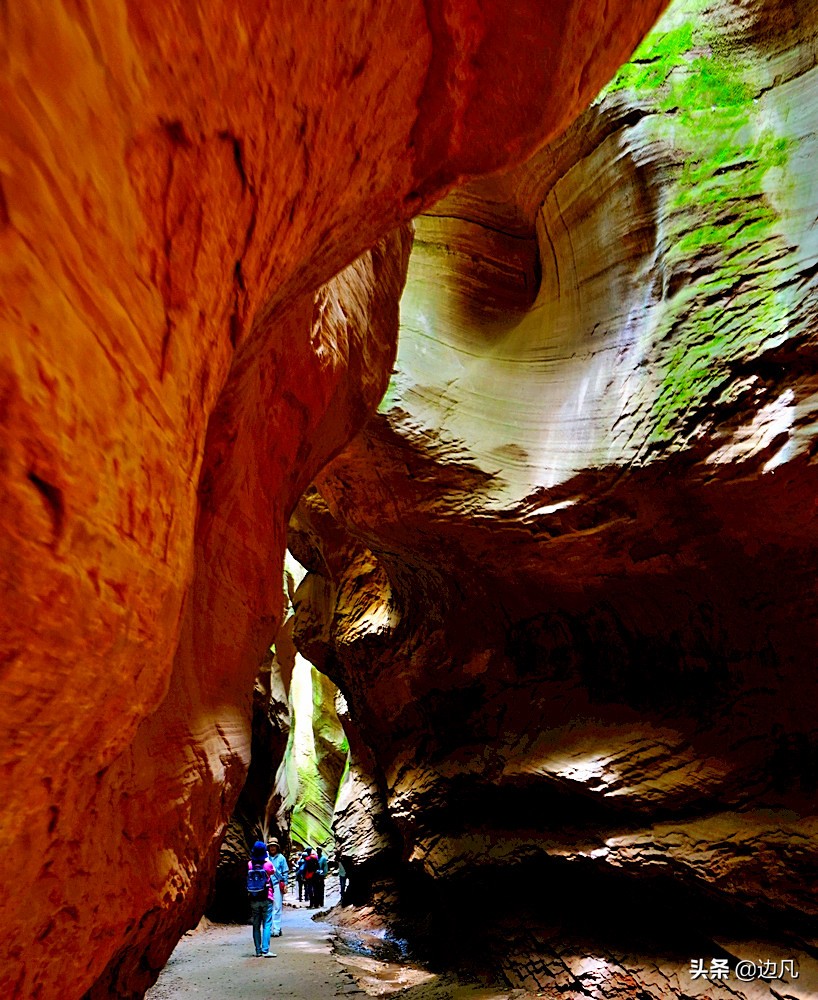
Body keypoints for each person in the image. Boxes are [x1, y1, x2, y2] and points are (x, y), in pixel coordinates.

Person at [247, 841, 276, 958]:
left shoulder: (249, 864)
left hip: (254, 898)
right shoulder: (268, 865)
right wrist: (267, 859)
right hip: (266, 897)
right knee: (267, 924)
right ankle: (265, 950)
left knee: (256, 924)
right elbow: (272, 871)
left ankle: (258, 950)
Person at [267, 840, 289, 938]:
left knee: (277, 907)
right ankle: (269, 928)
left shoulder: (281, 858)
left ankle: (276, 929)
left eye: (274, 846)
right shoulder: (266, 858)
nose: (272, 848)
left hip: (276, 884)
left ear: (277, 847)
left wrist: (285, 884)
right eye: (271, 846)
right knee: (268, 907)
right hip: (266, 885)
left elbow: (285, 872)